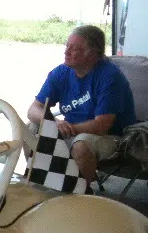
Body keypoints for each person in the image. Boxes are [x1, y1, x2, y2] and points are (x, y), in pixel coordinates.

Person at [27, 24, 137, 190]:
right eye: (67, 46)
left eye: (74, 49)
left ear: (92, 55)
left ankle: (79, 194)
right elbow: (33, 109)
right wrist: (55, 123)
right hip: (73, 131)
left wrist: (66, 129)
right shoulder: (61, 72)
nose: (66, 52)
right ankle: (39, 184)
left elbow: (102, 125)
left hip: (113, 137)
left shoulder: (110, 77)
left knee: (81, 144)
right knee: (30, 128)